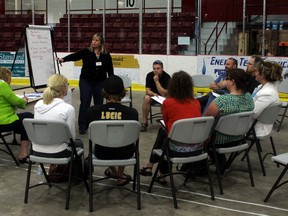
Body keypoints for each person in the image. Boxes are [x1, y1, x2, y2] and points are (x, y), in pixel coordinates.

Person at [140, 71, 202, 184]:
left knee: (165, 135)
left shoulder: (168, 103)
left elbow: (168, 124)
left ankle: (153, 168)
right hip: (197, 148)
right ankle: (157, 172)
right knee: (165, 135)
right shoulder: (196, 103)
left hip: (176, 149)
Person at [86, 75, 139, 186]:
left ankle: (116, 174)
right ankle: (119, 176)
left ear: (104, 92)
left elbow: (89, 131)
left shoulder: (93, 111)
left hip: (102, 153)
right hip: (126, 153)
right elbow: (132, 137)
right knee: (123, 141)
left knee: (106, 140)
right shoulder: (132, 113)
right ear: (122, 92)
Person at [58, 33, 114, 134]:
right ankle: (82, 126)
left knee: (99, 104)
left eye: (96, 40)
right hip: (86, 81)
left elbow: (110, 70)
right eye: (93, 40)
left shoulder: (106, 54)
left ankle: (97, 124)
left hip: (100, 82)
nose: (94, 42)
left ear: (101, 43)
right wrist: (64, 59)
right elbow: (75, 56)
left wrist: (111, 82)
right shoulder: (86, 52)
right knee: (85, 103)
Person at [204, 68, 254, 173]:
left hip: (218, 141)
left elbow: (205, 120)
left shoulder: (222, 101)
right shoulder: (249, 98)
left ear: (232, 81)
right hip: (239, 138)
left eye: (227, 79)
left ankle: (198, 164)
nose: (225, 81)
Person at [33, 74, 83, 158]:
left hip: (36, 150)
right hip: (58, 151)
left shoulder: (38, 105)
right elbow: (70, 138)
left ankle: (48, 169)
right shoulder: (68, 109)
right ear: (64, 89)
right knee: (79, 144)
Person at [0, 66, 33, 164]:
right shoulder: (2, 85)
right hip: (3, 121)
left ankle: (23, 152)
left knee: (23, 123)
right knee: (29, 118)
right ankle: (23, 155)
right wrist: (23, 100)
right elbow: (15, 101)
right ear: (6, 76)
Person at [252, 61, 283, 136]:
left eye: (256, 71)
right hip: (256, 123)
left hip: (257, 128)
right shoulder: (266, 87)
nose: (254, 73)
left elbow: (253, 113)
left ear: (262, 75)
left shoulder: (267, 93)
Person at [140, 60, 171, 132]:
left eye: (158, 68)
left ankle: (165, 122)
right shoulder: (149, 75)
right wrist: (153, 94)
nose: (156, 70)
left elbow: (165, 93)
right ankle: (144, 122)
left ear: (162, 69)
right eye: (154, 68)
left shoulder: (167, 77)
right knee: (146, 98)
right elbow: (147, 91)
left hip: (163, 97)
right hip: (154, 96)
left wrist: (156, 81)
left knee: (165, 100)